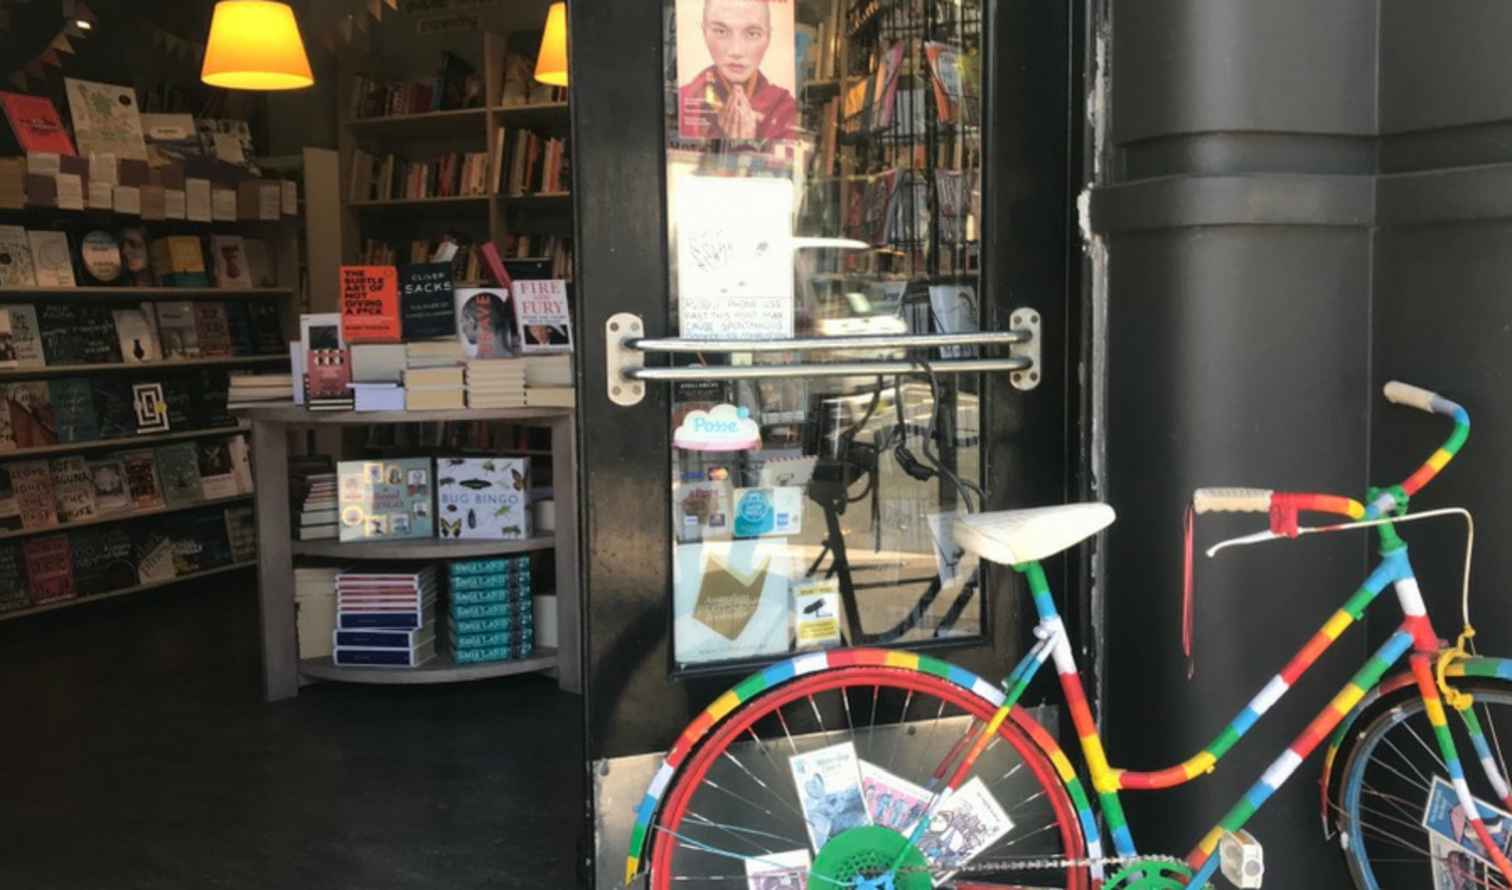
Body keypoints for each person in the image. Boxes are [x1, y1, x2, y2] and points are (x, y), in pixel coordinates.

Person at [679, 0, 797, 142]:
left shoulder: (782, 106)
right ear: (704, 32)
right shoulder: (684, 98)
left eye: (753, 34)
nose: (736, 51)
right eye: (721, 31)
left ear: (768, 37)